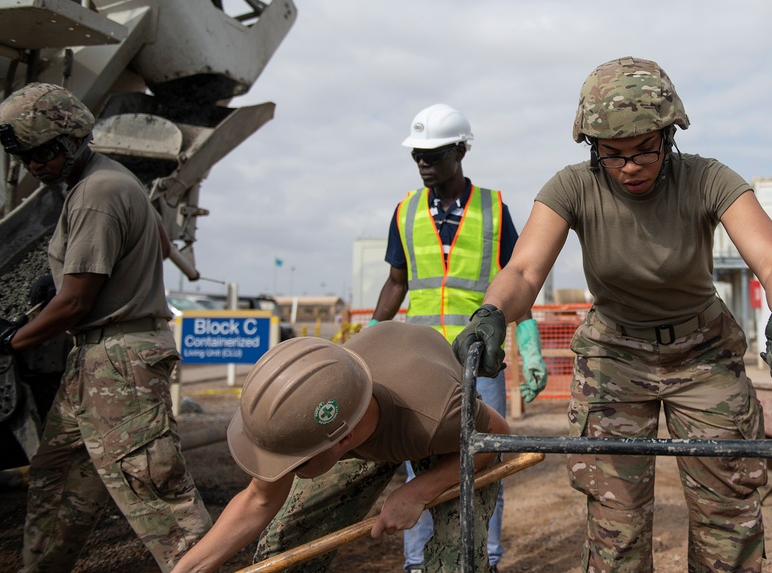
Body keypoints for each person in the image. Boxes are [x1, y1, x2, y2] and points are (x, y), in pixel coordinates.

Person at [451, 57, 772, 573]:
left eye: (646, 149)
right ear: (591, 146)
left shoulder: (708, 179)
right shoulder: (572, 187)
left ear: (670, 134)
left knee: (728, 512)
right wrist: (492, 313)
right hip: (614, 357)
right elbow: (524, 271)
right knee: (615, 522)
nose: (630, 166)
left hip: (703, 353)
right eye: (613, 154)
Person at [0, 83, 212, 571]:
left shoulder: (97, 193)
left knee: (163, 505)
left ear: (74, 139)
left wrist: (13, 340)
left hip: (119, 367)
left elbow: (76, 302)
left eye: (44, 153)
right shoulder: (107, 182)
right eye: (26, 155)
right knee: (57, 491)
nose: (35, 165)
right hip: (95, 364)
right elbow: (157, 240)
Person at [172, 323, 511, 573]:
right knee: (286, 547)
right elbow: (258, 499)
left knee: (458, 559)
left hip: (442, 433)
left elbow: (496, 436)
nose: (286, 471)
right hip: (363, 406)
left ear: (343, 441)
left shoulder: (438, 415)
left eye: (293, 464)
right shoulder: (299, 413)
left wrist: (420, 490)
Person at [370, 103, 547, 573]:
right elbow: (396, 284)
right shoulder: (405, 212)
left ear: (461, 150)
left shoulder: (492, 210)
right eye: (418, 156)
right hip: (417, 365)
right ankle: (417, 564)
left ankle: (483, 560)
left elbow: (520, 279)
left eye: (434, 154)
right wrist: (367, 343)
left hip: (479, 360)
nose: (424, 163)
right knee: (418, 464)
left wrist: (529, 345)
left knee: (486, 460)